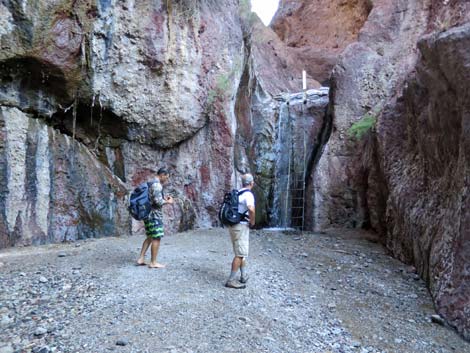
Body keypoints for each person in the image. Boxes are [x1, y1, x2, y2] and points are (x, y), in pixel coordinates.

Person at [136, 167, 174, 268]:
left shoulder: (151, 183)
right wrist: (168, 201)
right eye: (166, 177)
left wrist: (162, 198)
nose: (167, 179)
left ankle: (141, 259)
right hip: (154, 216)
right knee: (156, 237)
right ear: (162, 175)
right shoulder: (157, 185)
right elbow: (158, 202)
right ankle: (153, 262)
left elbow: (152, 198)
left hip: (147, 214)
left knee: (149, 236)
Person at [225, 173, 256, 289]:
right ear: (252, 183)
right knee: (239, 254)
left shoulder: (238, 192)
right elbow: (251, 209)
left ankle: (243, 276)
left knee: (241, 252)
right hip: (241, 226)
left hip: (234, 225)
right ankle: (231, 280)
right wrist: (252, 222)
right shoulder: (248, 194)